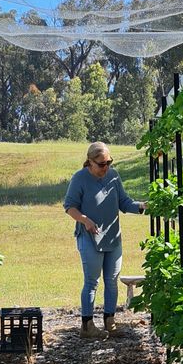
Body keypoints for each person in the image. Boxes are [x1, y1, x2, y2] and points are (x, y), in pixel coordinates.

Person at [63, 141, 146, 339]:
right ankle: (87, 326)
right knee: (92, 282)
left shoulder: (114, 176)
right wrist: (84, 220)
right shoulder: (80, 178)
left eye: (109, 162)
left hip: (112, 238)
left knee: (112, 280)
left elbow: (124, 203)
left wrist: (142, 206)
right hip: (90, 238)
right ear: (89, 162)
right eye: (101, 164)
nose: (106, 167)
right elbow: (69, 206)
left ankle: (110, 322)